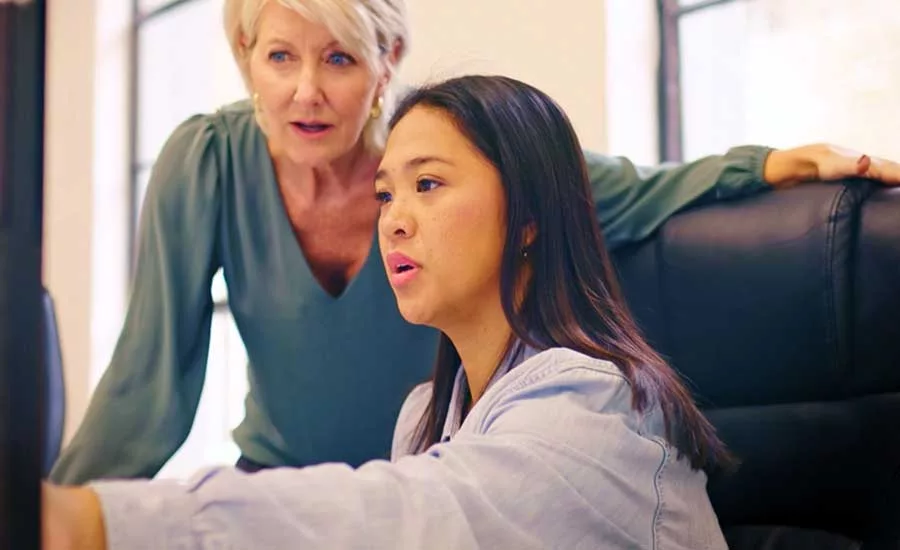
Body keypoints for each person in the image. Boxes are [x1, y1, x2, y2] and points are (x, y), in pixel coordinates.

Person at [49, 0, 900, 485]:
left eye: (339, 60)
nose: (306, 91)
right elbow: (145, 385)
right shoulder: (204, 163)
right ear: (245, 60)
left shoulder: (446, 154)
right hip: (282, 486)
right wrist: (54, 512)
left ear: (386, 64)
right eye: (280, 57)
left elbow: (615, 184)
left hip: (426, 479)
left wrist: (772, 163)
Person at [45, 73, 735, 550]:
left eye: (428, 185)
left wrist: (98, 523)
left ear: (528, 218)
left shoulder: (594, 405)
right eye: (385, 196)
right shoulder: (429, 417)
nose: (394, 223)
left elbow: (413, 517)